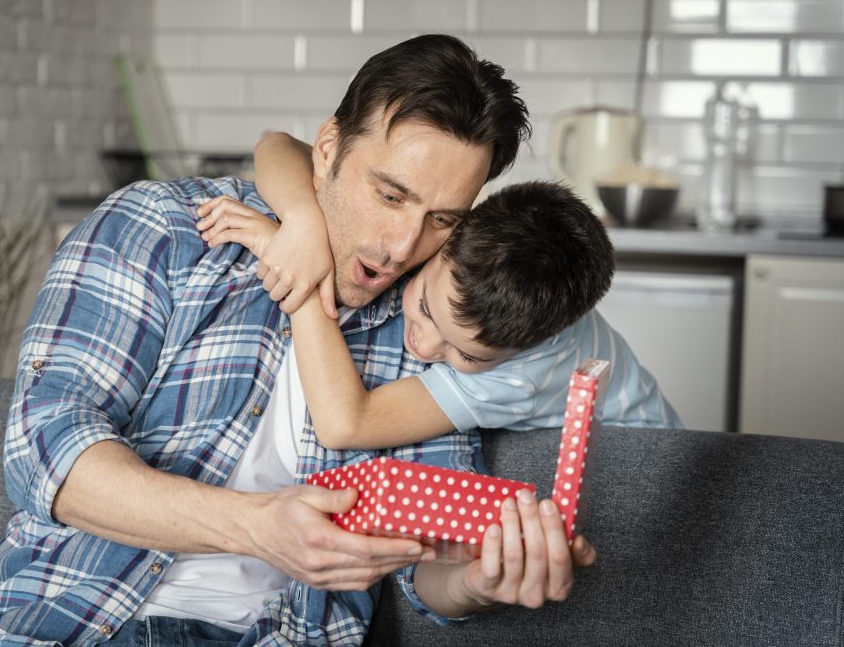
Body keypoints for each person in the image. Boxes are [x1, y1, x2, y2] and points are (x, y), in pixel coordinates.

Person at [0, 34, 594, 647]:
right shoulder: (165, 228)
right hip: (71, 625)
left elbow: (426, 565)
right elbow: (47, 454)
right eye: (389, 194)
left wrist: (478, 582)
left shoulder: (431, 330)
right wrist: (259, 529)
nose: (401, 247)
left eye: (441, 220)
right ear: (326, 148)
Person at [197, 139, 681, 452]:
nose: (425, 346)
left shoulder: (522, 376)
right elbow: (278, 146)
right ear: (457, 231)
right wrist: (300, 224)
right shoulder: (454, 237)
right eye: (426, 307)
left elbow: (345, 425)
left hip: (635, 463)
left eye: (465, 354)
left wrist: (292, 274)